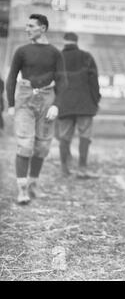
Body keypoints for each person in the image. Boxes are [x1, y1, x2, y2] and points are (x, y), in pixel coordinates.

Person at [6, 14, 67, 204]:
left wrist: (57, 105)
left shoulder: (55, 53)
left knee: (42, 146)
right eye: (26, 25)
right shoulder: (22, 51)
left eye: (31, 26)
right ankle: (22, 189)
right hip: (25, 99)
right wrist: (11, 104)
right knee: (25, 144)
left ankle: (33, 184)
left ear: (43, 28)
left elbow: (63, 80)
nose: (27, 29)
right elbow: (11, 77)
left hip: (47, 99)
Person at [57, 32, 101, 178]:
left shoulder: (57, 58)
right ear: (76, 41)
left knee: (64, 137)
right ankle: (82, 168)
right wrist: (96, 100)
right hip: (85, 104)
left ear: (64, 42)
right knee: (85, 136)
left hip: (63, 103)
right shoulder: (86, 57)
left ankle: (64, 168)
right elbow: (94, 81)